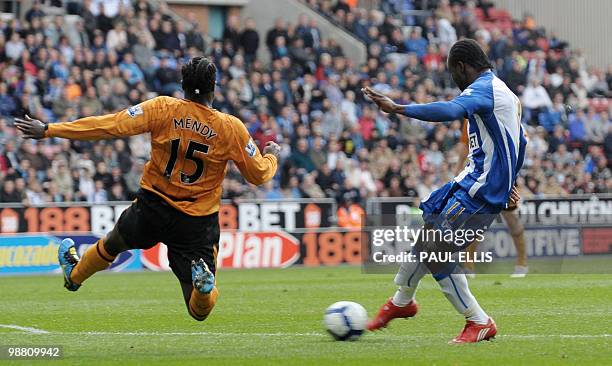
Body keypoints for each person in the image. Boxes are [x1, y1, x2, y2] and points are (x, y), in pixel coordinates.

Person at [15, 57, 280, 322]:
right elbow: (258, 175)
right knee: (198, 311)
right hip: (196, 221)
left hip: (152, 206)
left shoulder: (162, 107)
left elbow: (111, 125)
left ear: (182, 85)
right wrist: (271, 157)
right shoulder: (230, 127)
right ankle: (202, 291)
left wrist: (49, 129)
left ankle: (74, 276)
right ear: (215, 87)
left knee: (112, 243)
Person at [362, 39, 526, 343]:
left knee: (438, 252)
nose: (454, 79)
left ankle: (479, 321)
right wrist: (511, 180)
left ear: (462, 67)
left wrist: (398, 108)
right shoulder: (506, 94)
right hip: (471, 180)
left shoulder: (483, 90)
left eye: (453, 72)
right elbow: (520, 140)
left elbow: (451, 109)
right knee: (428, 238)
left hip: (482, 190)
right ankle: (401, 301)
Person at [455, 120, 528, 278]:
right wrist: (459, 167)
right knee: (477, 219)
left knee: (510, 218)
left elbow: (521, 140)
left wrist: (512, 174)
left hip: (502, 174)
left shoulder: (501, 109)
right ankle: (468, 265)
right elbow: (465, 145)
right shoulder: (470, 115)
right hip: (481, 175)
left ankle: (522, 264)